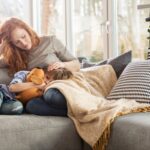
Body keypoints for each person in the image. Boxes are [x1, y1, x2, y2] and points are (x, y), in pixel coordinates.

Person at [0, 17, 80, 84]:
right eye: (17, 42)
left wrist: (63, 65)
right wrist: (2, 47)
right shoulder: (15, 56)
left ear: (28, 30)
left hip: (56, 84)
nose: (24, 43)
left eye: (23, 36)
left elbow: (77, 64)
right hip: (35, 90)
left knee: (51, 96)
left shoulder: (50, 41)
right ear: (12, 44)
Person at [9, 67, 73, 116]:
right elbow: (12, 88)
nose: (46, 82)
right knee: (31, 105)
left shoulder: (50, 88)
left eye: (51, 82)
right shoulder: (26, 74)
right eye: (47, 77)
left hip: (34, 101)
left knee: (32, 105)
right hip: (16, 100)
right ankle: (68, 113)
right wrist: (36, 84)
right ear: (44, 72)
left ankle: (69, 112)